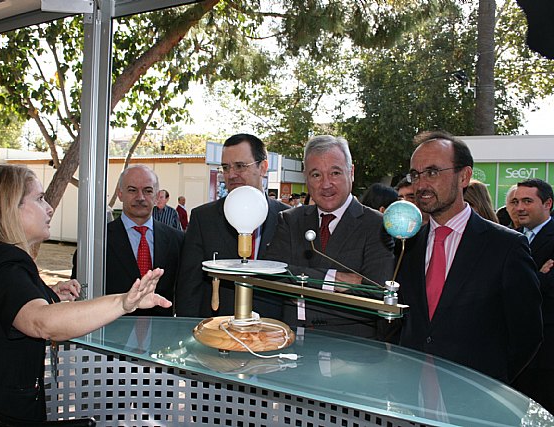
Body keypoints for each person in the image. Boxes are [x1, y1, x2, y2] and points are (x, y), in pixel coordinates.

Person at [0, 165, 170, 426]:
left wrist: (45, 293)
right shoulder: (2, 260)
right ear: (9, 207)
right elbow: (42, 322)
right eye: (40, 198)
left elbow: (3, 307)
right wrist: (123, 302)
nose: (50, 207)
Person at [396, 130, 542, 383]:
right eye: (415, 175)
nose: (421, 184)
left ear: (464, 176)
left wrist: (491, 383)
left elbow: (527, 334)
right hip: (412, 391)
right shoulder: (407, 245)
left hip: (475, 395)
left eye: (432, 172)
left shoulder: (506, 247)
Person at [265, 135, 395, 338]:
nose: (326, 184)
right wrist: (333, 279)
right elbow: (272, 273)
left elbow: (376, 293)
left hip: (351, 348)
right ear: (306, 178)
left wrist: (300, 283)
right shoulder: (290, 221)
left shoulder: (378, 225)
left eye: (335, 173)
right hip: (292, 344)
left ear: (351, 173)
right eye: (316, 175)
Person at [176, 133, 289, 318]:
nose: (231, 175)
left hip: (272, 332)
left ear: (264, 167)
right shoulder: (203, 218)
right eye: (226, 168)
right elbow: (189, 286)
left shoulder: (287, 219)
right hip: (219, 331)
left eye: (240, 166)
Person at [72, 165, 183, 316]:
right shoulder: (95, 243)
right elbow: (80, 301)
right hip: (109, 333)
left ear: (157, 196)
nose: (140, 197)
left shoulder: (178, 240)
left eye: (148, 191)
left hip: (161, 334)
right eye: (132, 190)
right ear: (120, 194)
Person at [510, 178, 554, 412]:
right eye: (516, 201)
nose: (519, 208)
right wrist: (538, 276)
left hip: (546, 353)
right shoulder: (510, 237)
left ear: (548, 204)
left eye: (528, 201)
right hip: (514, 350)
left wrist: (530, 280)